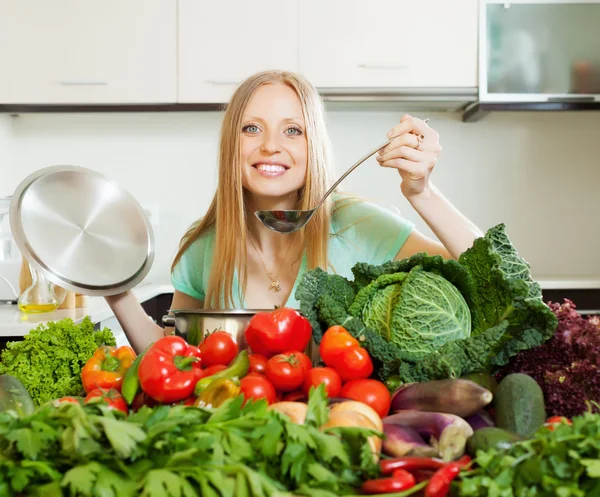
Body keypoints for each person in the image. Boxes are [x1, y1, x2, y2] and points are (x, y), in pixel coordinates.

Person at [106, 70, 482, 353]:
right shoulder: (204, 246)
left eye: (292, 131)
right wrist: (114, 288)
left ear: (313, 146)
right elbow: (171, 355)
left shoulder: (358, 226)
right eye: (251, 128)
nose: (270, 146)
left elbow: (488, 274)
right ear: (230, 146)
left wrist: (422, 192)